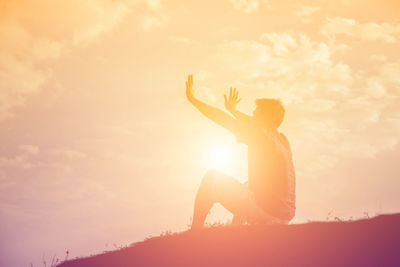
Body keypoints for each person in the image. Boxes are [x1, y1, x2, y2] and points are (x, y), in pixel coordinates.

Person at [186, 74, 296, 229]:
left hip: (265, 211)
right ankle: (236, 230)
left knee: (210, 179)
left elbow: (221, 118)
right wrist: (234, 110)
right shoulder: (283, 140)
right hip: (285, 214)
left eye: (255, 112)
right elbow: (252, 122)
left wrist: (193, 100)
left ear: (263, 117)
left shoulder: (259, 136)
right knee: (249, 185)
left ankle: (195, 232)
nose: (252, 115)